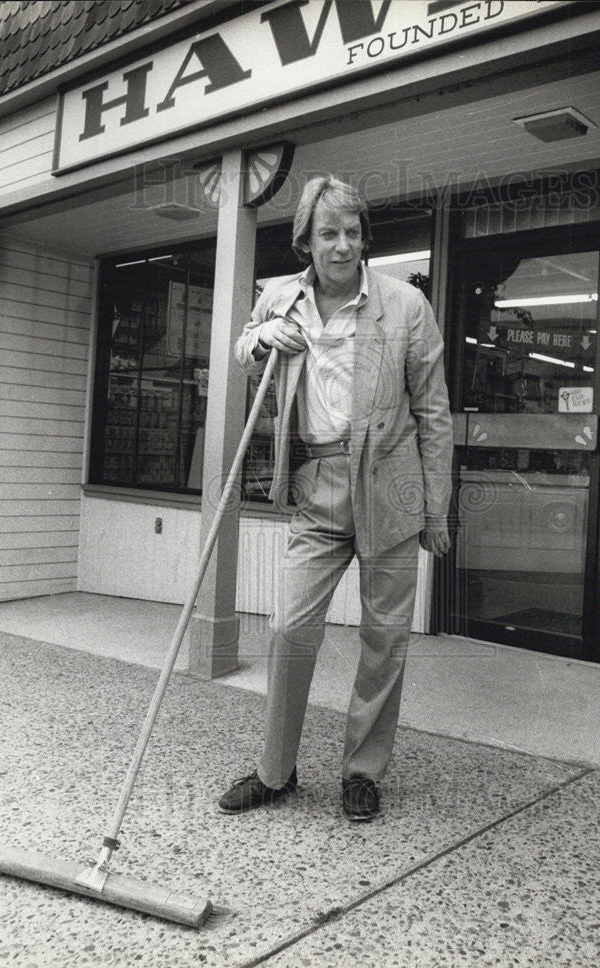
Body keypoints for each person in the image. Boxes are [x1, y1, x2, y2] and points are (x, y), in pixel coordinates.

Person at [219, 175, 454, 822]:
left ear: (364, 238)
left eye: (352, 232)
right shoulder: (282, 297)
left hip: (390, 486)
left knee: (384, 640)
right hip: (318, 486)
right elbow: (243, 347)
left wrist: (435, 508)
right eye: (329, 233)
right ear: (307, 241)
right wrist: (262, 339)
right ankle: (276, 771)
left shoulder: (406, 306)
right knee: (291, 629)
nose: (342, 245)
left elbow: (434, 413)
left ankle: (362, 771)